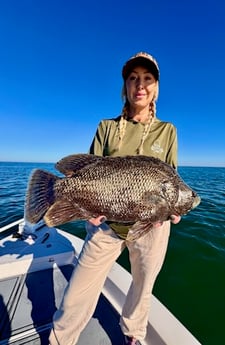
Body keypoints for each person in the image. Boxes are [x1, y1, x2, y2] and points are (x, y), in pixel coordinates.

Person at [49, 51, 181, 345]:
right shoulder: (106, 128)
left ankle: (133, 335)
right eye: (133, 78)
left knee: (143, 287)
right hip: (106, 224)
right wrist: (87, 210)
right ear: (126, 85)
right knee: (76, 295)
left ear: (156, 87)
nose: (140, 85)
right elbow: (88, 173)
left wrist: (172, 208)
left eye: (147, 79)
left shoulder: (168, 131)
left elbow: (170, 178)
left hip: (150, 229)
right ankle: (60, 339)